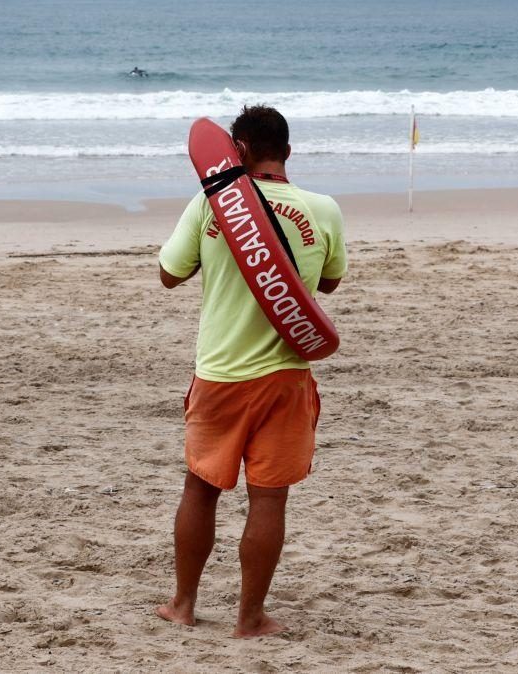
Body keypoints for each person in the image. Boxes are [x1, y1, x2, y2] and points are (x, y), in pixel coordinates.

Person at [155, 105, 347, 638]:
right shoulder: (323, 209)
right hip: (286, 377)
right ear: (287, 152)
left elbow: (169, 275)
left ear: (235, 151)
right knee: (269, 499)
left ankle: (184, 604)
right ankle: (249, 618)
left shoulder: (210, 204)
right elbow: (328, 285)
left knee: (199, 489)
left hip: (218, 373)